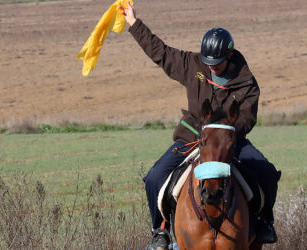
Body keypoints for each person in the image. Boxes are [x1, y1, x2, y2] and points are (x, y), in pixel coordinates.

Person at [119, 2, 281, 249]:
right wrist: (133, 22)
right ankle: (159, 232)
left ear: (229, 55)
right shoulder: (193, 65)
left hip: (229, 141)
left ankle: (263, 224)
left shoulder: (247, 83)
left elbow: (248, 118)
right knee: (154, 177)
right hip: (192, 138)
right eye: (208, 61)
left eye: (216, 62)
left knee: (268, 173)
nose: (211, 66)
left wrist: (225, 135)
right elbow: (160, 52)